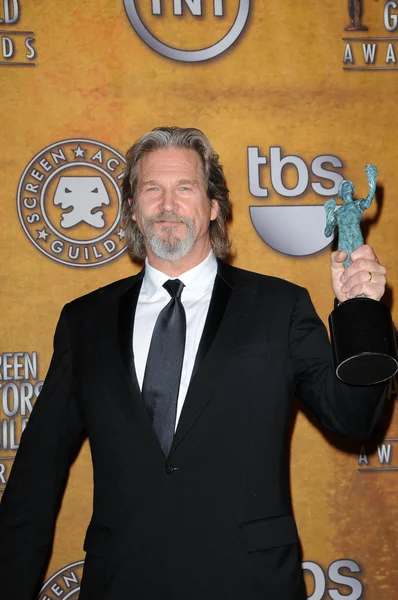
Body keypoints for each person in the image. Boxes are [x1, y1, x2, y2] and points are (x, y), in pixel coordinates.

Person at [0, 127, 388, 599]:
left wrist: (360, 312)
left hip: (248, 584)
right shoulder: (85, 321)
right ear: (133, 210)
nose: (167, 204)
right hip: (122, 582)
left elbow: (353, 418)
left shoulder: (278, 306)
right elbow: (36, 476)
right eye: (151, 189)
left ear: (213, 206)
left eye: (185, 188)